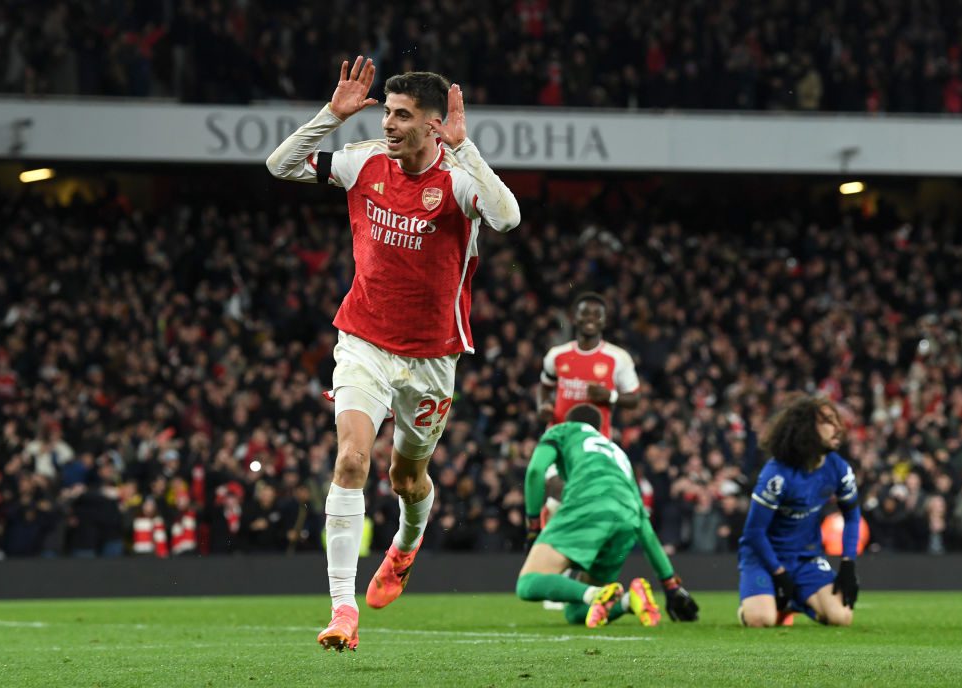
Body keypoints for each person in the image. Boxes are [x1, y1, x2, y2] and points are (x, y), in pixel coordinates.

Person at [266, 56, 520, 651]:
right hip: (365, 342)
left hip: (433, 356)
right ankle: (342, 610)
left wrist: (467, 149)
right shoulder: (363, 163)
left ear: (434, 126)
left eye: (402, 115)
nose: (388, 123)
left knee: (407, 478)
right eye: (386, 111)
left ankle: (404, 548)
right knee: (352, 460)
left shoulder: (458, 181)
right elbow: (281, 165)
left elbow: (506, 218)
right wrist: (333, 114)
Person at [516, 404, 700, 627]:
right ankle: (627, 601)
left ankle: (596, 594)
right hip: (624, 520)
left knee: (527, 583)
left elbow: (536, 471)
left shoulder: (564, 430)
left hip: (587, 503)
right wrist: (670, 584)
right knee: (576, 613)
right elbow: (645, 529)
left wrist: (533, 526)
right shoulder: (618, 454)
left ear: (568, 421)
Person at [737, 394, 861, 627]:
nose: (838, 427)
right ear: (806, 429)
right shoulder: (776, 475)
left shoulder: (839, 468)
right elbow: (754, 532)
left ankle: (792, 601)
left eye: (836, 420)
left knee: (841, 617)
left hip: (806, 558)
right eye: (827, 421)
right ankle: (761, 606)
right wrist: (779, 573)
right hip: (763, 559)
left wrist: (848, 564)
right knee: (760, 619)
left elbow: (852, 516)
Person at [537, 292, 641, 439]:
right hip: (558, 437)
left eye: (597, 314)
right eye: (585, 313)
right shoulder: (556, 355)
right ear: (574, 318)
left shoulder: (618, 358)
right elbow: (545, 386)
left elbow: (635, 399)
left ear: (605, 321)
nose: (591, 317)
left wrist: (609, 395)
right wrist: (543, 406)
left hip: (596, 442)